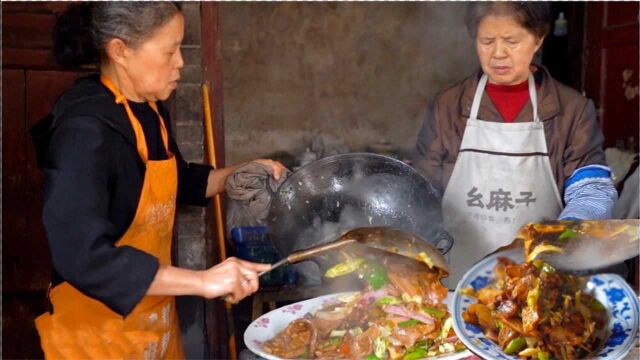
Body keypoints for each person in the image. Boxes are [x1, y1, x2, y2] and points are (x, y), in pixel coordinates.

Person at [32, 3, 287, 358]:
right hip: (96, 338)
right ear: (120, 50)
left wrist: (237, 174)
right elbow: (82, 256)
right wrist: (201, 280)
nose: (180, 62)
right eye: (170, 50)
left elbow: (179, 182)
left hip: (154, 325)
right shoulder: (83, 130)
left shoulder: (150, 108)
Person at [414, 2, 617, 285]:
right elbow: (422, 189)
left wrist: (568, 229)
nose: (498, 53)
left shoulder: (572, 109)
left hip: (537, 281)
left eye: (511, 41)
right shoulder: (447, 106)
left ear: (539, 39)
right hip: (456, 277)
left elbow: (591, 187)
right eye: (487, 41)